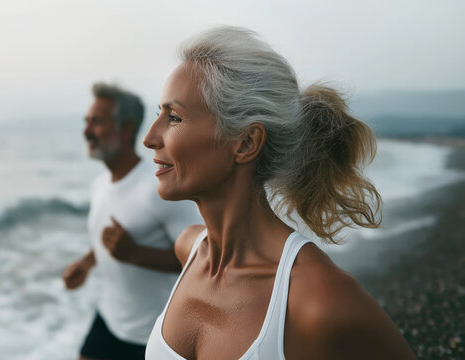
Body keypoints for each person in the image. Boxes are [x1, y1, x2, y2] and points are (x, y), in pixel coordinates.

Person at [143, 26, 415, 359]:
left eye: (174, 117)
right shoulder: (189, 249)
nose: (150, 137)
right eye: (159, 113)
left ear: (246, 142)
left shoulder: (319, 299)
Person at [62, 83, 203, 360]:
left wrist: (135, 254)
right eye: (87, 121)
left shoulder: (160, 187)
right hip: (108, 318)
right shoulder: (100, 184)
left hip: (152, 337)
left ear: (126, 129)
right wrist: (87, 262)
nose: (87, 131)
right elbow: (106, 239)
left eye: (97, 122)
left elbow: (203, 259)